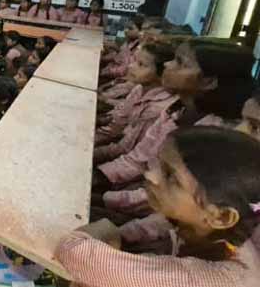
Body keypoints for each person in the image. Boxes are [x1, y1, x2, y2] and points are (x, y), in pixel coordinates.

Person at [57, 127, 260, 286]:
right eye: (160, 166)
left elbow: (74, 251)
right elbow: (157, 224)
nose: (150, 175)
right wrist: (121, 235)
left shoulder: (212, 279)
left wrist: (105, 230)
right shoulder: (204, 226)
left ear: (222, 217)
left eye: (171, 177)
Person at [95, 40, 254, 219]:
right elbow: (137, 160)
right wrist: (100, 179)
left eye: (180, 62)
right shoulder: (175, 110)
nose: (167, 65)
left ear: (208, 81)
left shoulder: (213, 135)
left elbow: (163, 196)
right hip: (134, 195)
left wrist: (105, 198)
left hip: (158, 216)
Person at [94, 42, 177, 160]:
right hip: (116, 145)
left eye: (141, 64)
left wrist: (94, 151)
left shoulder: (158, 108)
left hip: (125, 158)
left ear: (162, 74)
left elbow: (125, 148)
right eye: (135, 61)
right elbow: (118, 122)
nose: (131, 66)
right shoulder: (139, 88)